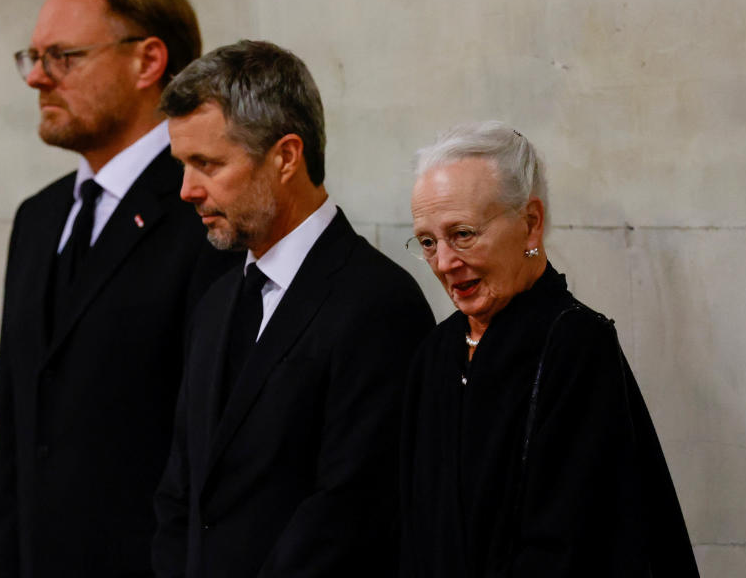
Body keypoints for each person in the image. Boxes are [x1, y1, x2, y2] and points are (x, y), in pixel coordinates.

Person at [0, 0, 236, 578]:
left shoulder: (206, 214)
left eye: (63, 58)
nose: (37, 78)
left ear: (147, 61)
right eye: (33, 57)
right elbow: (14, 446)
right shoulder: (38, 219)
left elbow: (211, 448)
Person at [152, 40, 435, 577]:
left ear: (286, 156)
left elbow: (351, 513)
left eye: (207, 163)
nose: (187, 189)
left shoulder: (378, 304)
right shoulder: (216, 303)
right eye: (183, 164)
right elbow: (180, 491)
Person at [400, 121, 699, 577]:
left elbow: (577, 545)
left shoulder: (576, 348)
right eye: (427, 241)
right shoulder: (434, 356)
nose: (444, 263)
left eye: (462, 234)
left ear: (530, 223)